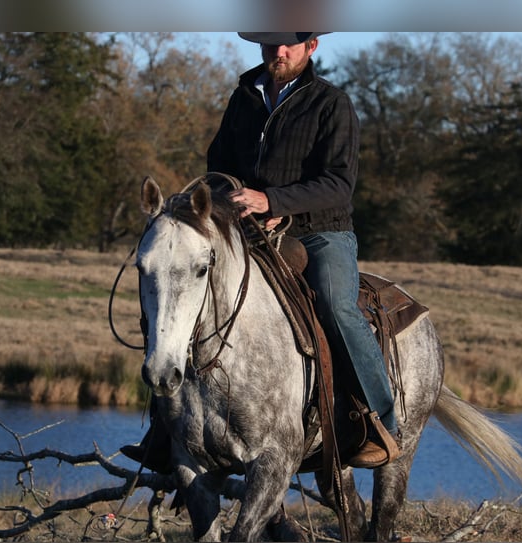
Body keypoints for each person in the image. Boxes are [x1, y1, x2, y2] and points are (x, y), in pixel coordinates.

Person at [121, 32, 399, 471]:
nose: (279, 52)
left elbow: (339, 184)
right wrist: (212, 206)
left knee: (335, 304)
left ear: (312, 47)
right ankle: (166, 428)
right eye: (271, 44)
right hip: (244, 229)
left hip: (319, 231)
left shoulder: (332, 103)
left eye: (289, 45)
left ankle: (380, 423)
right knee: (187, 295)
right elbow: (218, 167)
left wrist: (273, 201)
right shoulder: (244, 99)